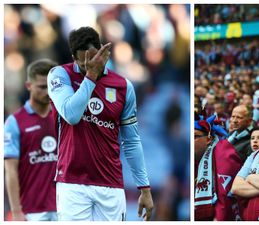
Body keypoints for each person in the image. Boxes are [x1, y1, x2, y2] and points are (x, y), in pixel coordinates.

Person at [47, 26, 153, 221]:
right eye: (83, 61)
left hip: (110, 184)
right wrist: (91, 78)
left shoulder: (123, 87)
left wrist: (144, 188)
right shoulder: (59, 76)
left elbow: (131, 141)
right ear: (73, 57)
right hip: (72, 182)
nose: (89, 64)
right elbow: (71, 115)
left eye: (93, 58)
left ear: (103, 52)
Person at [5, 59, 58, 221]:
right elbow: (10, 170)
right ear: (29, 86)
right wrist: (16, 211)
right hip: (31, 211)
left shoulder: (62, 117)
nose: (48, 91)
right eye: (42, 87)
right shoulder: (15, 122)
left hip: (64, 208)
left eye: (51, 86)